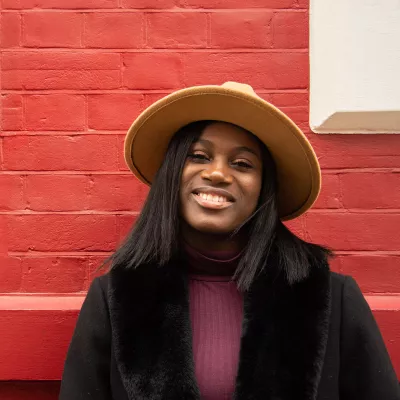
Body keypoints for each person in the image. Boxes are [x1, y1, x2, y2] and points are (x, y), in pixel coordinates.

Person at [59, 82, 400, 400]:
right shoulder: (115, 299)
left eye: (242, 163)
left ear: (263, 189)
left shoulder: (330, 298)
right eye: (199, 156)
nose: (218, 174)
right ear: (173, 175)